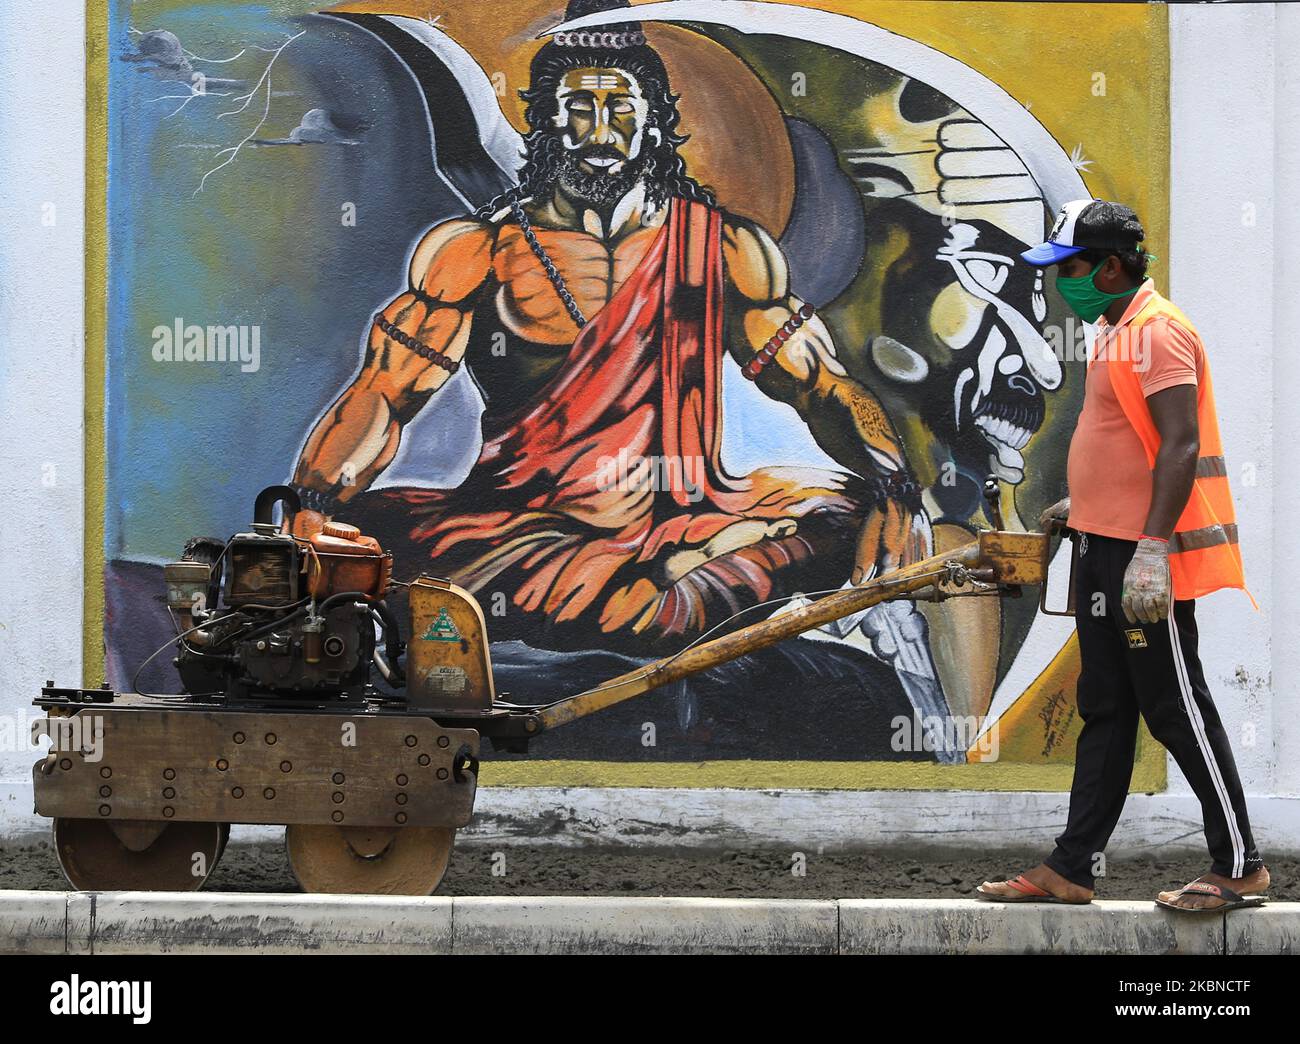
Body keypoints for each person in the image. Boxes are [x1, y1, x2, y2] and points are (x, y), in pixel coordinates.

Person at [288, 0, 928, 655]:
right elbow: (387, 391)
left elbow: (819, 383)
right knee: (374, 536)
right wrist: (313, 499)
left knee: (843, 509)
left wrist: (896, 485)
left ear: (654, 123)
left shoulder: (724, 246)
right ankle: (669, 584)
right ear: (545, 121)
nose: (602, 129)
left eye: (621, 108)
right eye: (580, 109)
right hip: (531, 523)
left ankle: (675, 573)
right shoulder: (476, 249)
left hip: (690, 510)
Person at [977, 199, 1268, 912]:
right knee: (1106, 707)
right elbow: (1129, 441)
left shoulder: (1159, 333)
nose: (1059, 284)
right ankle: (1072, 866)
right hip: (1102, 545)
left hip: (1139, 558)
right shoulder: (1116, 329)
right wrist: (1089, 504)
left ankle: (1240, 866)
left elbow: (1179, 444)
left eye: (1071, 268)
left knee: (1176, 706)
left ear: (1111, 265)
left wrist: (1150, 550)